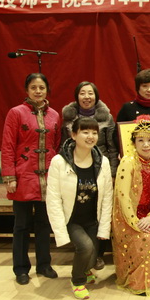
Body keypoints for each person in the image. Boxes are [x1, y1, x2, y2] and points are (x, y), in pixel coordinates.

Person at [1, 73, 60, 285]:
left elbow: (55, 145)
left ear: (47, 90)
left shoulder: (54, 115)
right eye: (33, 87)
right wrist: (9, 176)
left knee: (44, 224)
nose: (38, 91)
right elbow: (8, 145)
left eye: (41, 87)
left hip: (48, 178)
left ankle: (44, 264)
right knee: (22, 225)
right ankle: (21, 268)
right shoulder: (16, 113)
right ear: (27, 90)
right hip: (23, 176)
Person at [46, 117, 113, 300]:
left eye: (94, 132)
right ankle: (77, 281)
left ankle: (86, 269)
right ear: (74, 135)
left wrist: (104, 227)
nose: (90, 136)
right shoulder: (59, 162)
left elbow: (107, 197)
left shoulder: (103, 162)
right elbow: (53, 198)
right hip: (72, 219)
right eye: (85, 132)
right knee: (85, 247)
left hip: (92, 218)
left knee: (92, 256)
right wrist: (60, 229)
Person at [62, 81, 119, 270]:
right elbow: (63, 146)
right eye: (82, 93)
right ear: (76, 96)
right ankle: (83, 251)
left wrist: (112, 172)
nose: (87, 97)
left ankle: (98, 254)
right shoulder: (68, 118)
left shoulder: (107, 117)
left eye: (90, 93)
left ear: (96, 96)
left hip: (99, 167)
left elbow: (112, 147)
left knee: (100, 209)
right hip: (75, 167)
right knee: (79, 206)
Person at [111, 115, 150, 296]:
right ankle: (137, 282)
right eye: (141, 140)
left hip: (148, 217)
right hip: (128, 218)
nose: (146, 145)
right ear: (134, 143)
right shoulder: (128, 162)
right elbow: (123, 196)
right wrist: (135, 222)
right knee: (145, 240)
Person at [114, 69, 150, 152]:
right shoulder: (128, 108)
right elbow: (117, 135)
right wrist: (123, 152)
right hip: (133, 156)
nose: (149, 90)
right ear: (138, 88)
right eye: (145, 86)